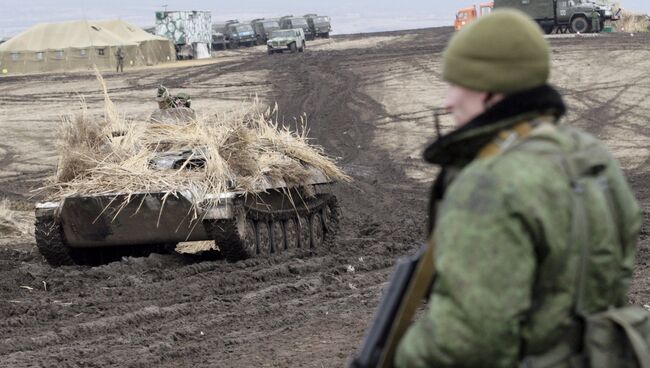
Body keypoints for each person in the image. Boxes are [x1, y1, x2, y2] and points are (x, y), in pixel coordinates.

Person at [394, 9, 642, 367]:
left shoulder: (489, 183)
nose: (448, 102)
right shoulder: (591, 156)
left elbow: (466, 341)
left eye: (457, 83)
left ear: (492, 91)